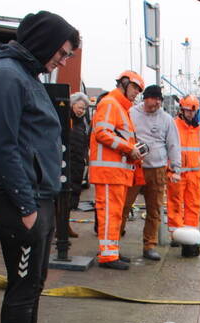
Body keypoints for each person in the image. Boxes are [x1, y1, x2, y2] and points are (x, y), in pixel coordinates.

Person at [0, 10, 79, 323]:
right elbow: (1, 145)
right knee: (21, 291)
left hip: (39, 196)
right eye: (63, 51)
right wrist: (24, 205)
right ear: (45, 41)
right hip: (22, 201)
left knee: (34, 286)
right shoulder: (6, 76)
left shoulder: (27, 75)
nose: (64, 59)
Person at [119, 84, 180, 261]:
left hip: (157, 169)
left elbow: (173, 144)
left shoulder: (167, 119)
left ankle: (149, 245)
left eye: (159, 101)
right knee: (124, 206)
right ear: (145, 99)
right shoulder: (131, 113)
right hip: (134, 167)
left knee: (155, 209)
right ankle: (113, 243)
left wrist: (176, 168)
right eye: (153, 100)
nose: (156, 104)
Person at [90, 71, 144, 270]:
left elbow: (115, 137)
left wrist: (133, 151)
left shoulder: (120, 107)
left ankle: (111, 251)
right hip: (108, 173)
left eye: (139, 90)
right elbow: (102, 133)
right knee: (108, 213)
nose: (136, 94)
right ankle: (107, 255)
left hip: (117, 173)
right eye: (135, 88)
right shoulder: (111, 104)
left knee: (114, 214)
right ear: (124, 83)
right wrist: (130, 149)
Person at [167, 95, 200, 245]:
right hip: (177, 173)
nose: (191, 114)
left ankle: (191, 234)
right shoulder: (173, 126)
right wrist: (169, 170)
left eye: (193, 112)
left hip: (194, 175)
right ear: (182, 110)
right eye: (188, 111)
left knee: (194, 205)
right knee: (175, 204)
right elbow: (168, 149)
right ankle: (175, 235)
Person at [65, 91, 90, 238]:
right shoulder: (67, 119)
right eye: (80, 107)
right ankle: (61, 226)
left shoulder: (82, 123)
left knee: (74, 193)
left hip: (78, 162)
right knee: (64, 195)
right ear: (72, 105)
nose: (81, 110)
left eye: (84, 108)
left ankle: (64, 224)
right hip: (68, 161)